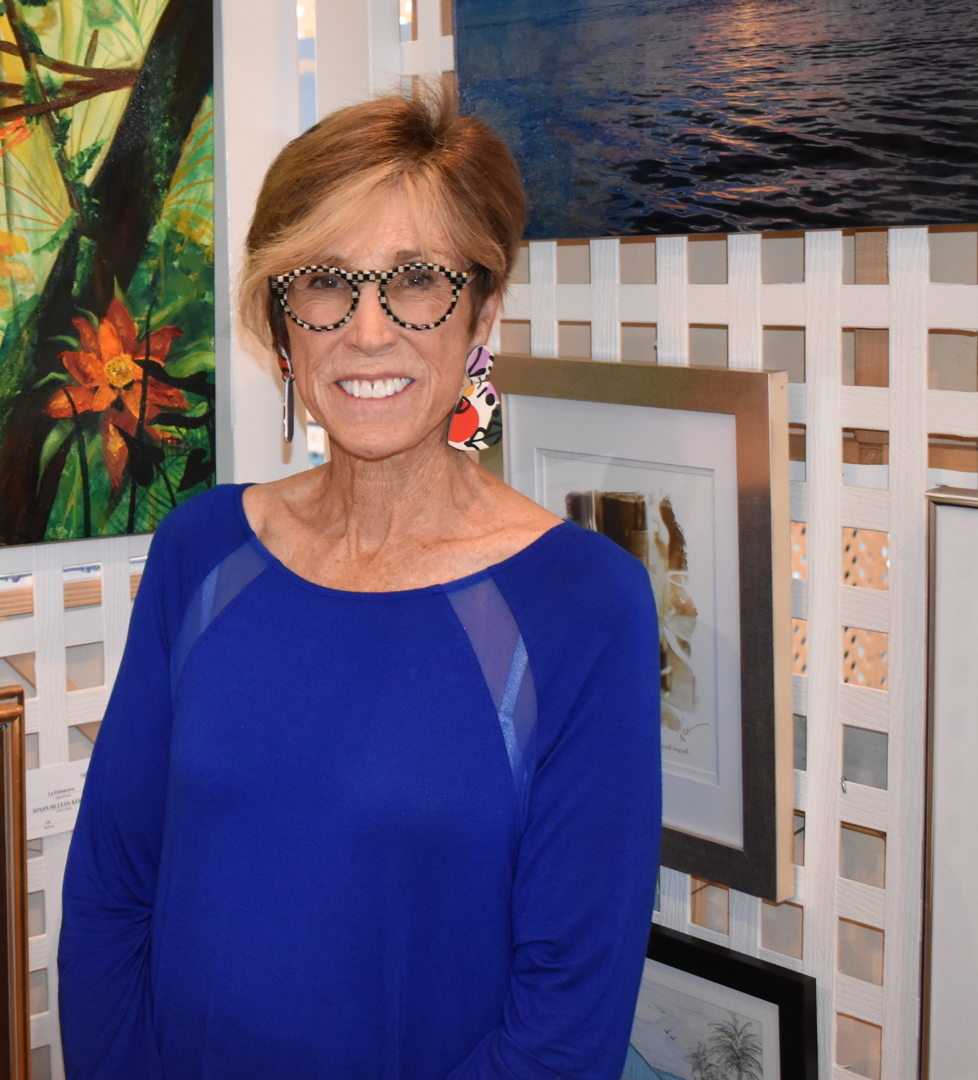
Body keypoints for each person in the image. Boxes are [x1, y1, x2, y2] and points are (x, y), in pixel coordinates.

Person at [58, 85, 662, 1080]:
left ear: (482, 313)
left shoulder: (580, 605)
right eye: (325, 282)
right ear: (282, 321)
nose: (367, 331)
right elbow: (109, 902)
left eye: (416, 280)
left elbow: (564, 1022)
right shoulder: (200, 553)